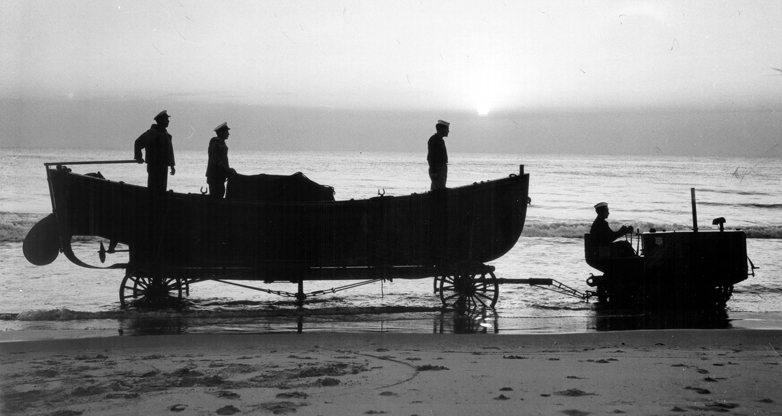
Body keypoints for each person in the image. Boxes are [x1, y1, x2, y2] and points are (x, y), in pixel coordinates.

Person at [134, 110, 176, 193]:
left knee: (162, 189)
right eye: (166, 119)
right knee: (153, 188)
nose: (168, 121)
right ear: (160, 121)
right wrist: (139, 157)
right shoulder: (152, 133)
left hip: (163, 167)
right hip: (154, 166)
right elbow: (138, 142)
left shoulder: (167, 135)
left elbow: (170, 152)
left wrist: (172, 165)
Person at [205, 122, 236, 199]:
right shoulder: (216, 144)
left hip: (219, 176)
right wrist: (227, 170)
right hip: (215, 176)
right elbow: (216, 160)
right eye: (227, 132)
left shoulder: (221, 144)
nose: (228, 134)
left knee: (220, 195)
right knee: (216, 198)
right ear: (221, 133)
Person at [427, 120, 449, 190]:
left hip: (440, 168)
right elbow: (430, 156)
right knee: (438, 188)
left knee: (439, 187)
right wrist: (433, 171)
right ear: (441, 129)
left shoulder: (440, 140)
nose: (448, 131)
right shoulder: (434, 140)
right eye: (447, 129)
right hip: (437, 168)